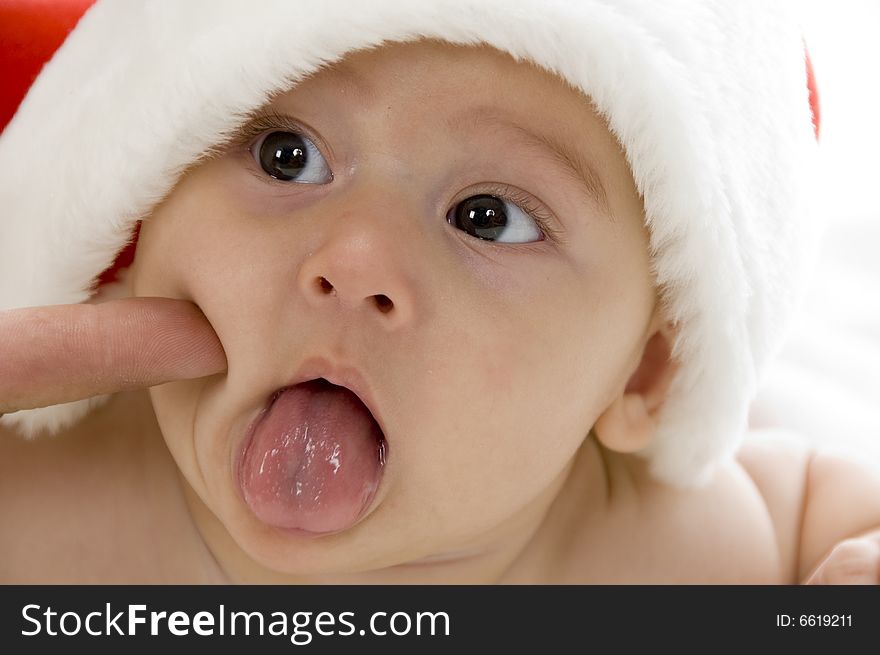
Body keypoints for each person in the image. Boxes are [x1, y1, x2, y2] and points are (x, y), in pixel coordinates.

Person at [1, 1, 878, 584]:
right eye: (288, 156)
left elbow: (828, 510)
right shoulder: (41, 494)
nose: (354, 258)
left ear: (646, 376)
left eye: (488, 217)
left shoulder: (684, 548)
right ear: (146, 199)